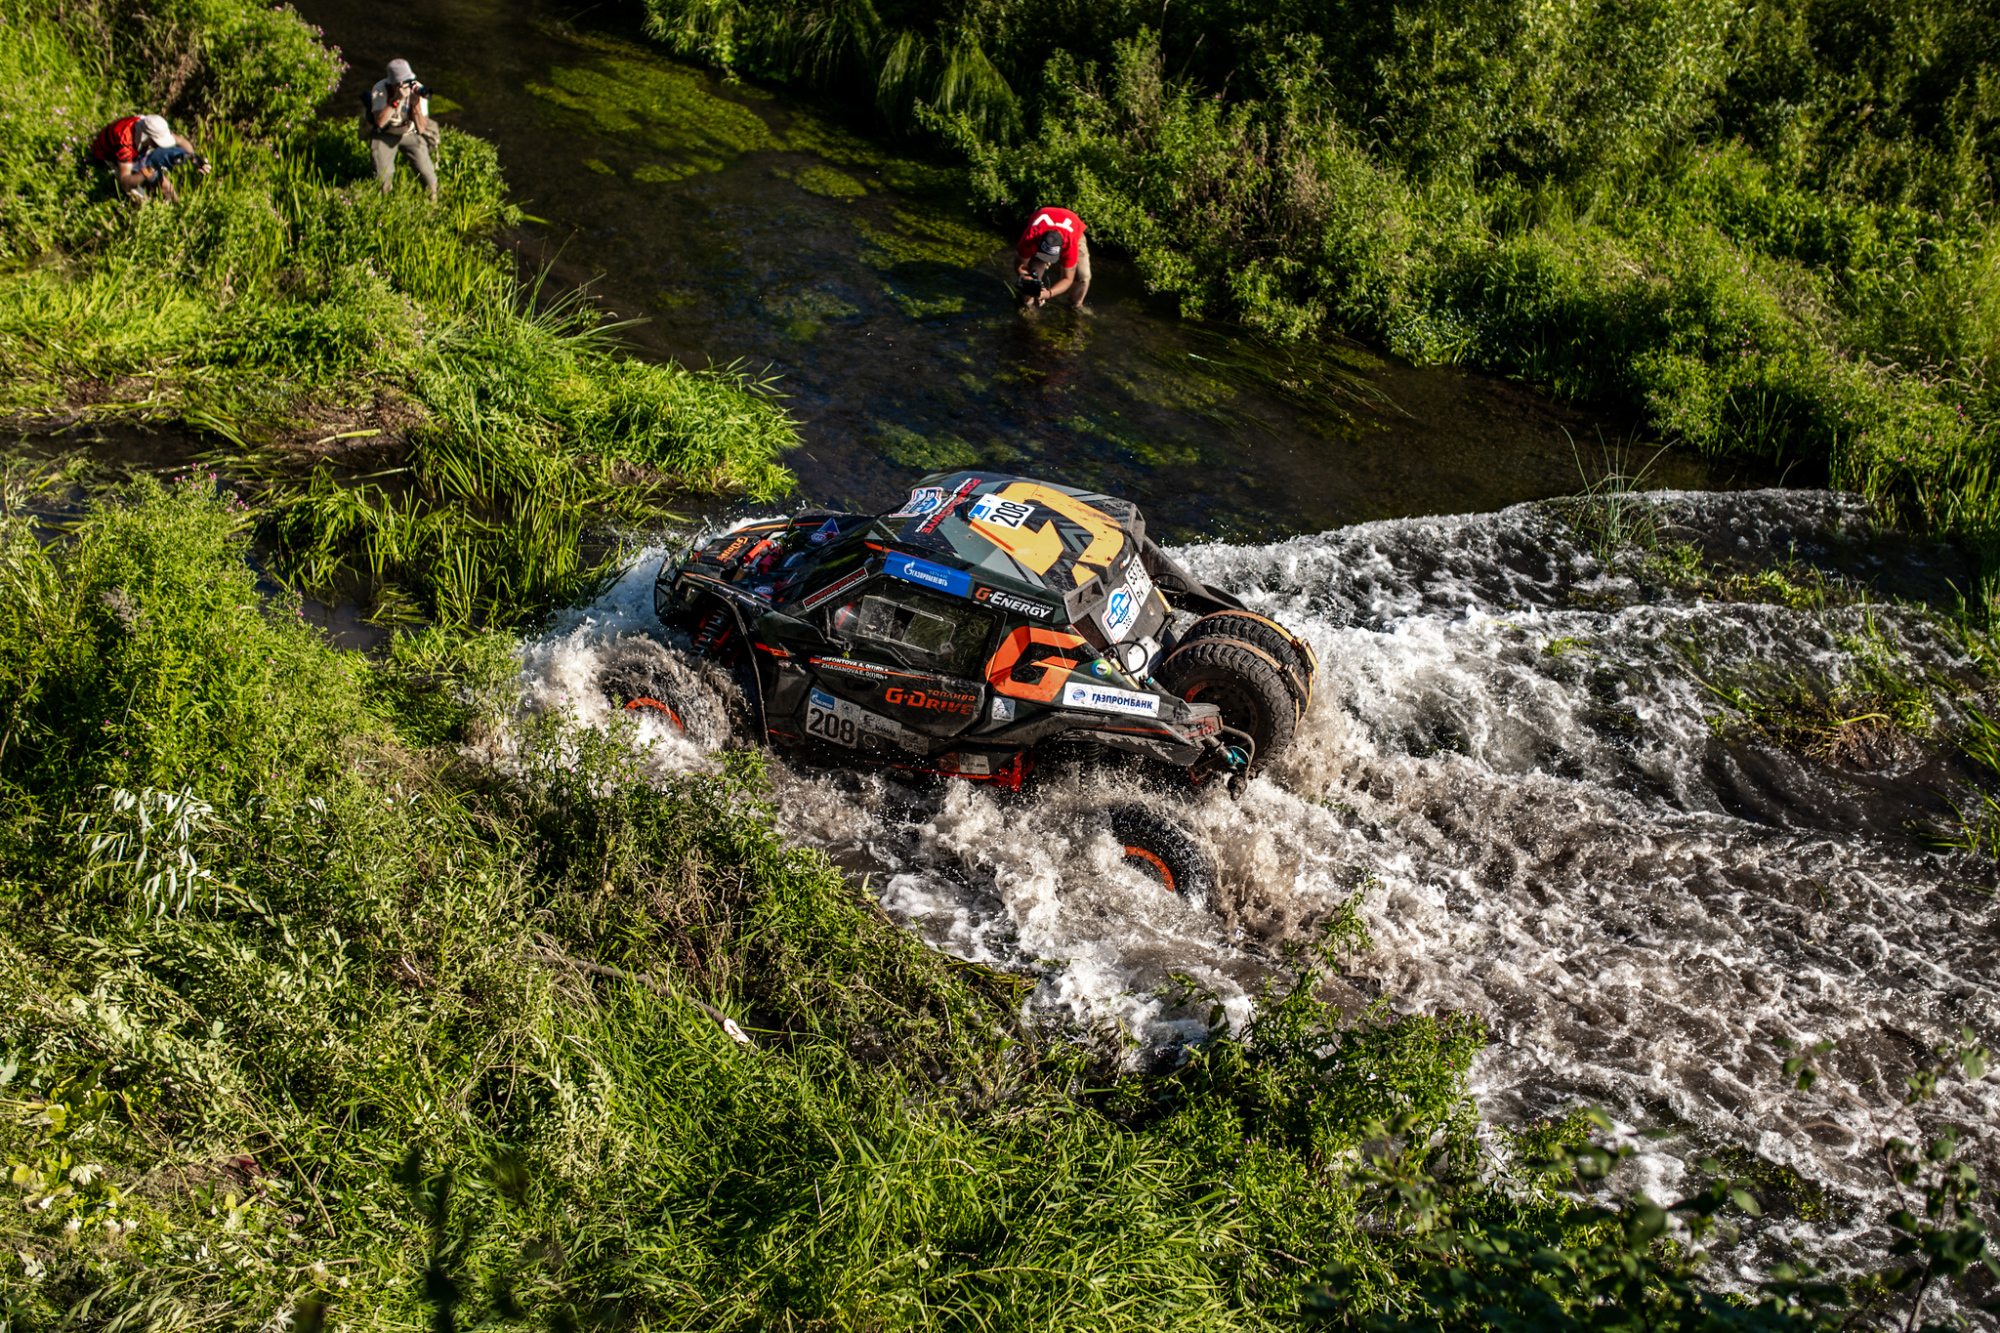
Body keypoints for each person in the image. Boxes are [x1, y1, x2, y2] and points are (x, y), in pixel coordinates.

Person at [89, 113, 207, 204]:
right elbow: (125, 182)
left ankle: (179, 211)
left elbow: (180, 140)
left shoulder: (153, 125)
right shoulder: (125, 143)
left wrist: (195, 159)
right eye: (157, 143)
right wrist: (149, 169)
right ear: (146, 137)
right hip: (109, 156)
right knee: (138, 197)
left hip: (139, 148)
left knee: (163, 183)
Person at [367, 58, 438, 201]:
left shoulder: (418, 90)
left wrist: (416, 104)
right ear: (395, 84)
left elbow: (421, 128)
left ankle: (432, 202)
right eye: (406, 82)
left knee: (427, 174)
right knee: (382, 177)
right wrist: (396, 100)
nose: (410, 86)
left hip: (409, 132)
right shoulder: (380, 90)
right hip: (387, 132)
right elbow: (379, 123)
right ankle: (385, 204)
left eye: (411, 81)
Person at [1014, 206, 1090, 311]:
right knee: (1031, 277)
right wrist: (1033, 285)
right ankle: (1027, 307)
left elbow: (1067, 279)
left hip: (1073, 231)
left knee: (1083, 275)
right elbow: (1021, 266)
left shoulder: (1070, 244)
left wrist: (1049, 293)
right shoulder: (1030, 237)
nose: (1048, 260)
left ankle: (1076, 306)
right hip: (1041, 231)